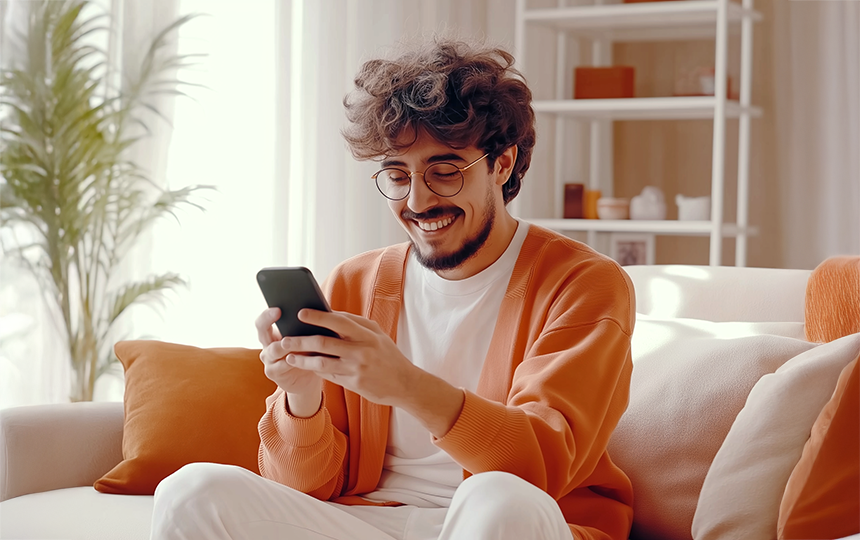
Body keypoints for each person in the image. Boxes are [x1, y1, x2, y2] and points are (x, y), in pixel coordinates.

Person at [151, 38, 635, 540]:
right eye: (397, 174)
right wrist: (302, 399)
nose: (418, 200)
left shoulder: (583, 284)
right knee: (191, 490)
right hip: (370, 519)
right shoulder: (353, 283)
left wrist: (405, 383)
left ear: (503, 165)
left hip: (507, 521)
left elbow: (540, 467)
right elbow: (303, 489)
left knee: (498, 496)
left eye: (444, 172)